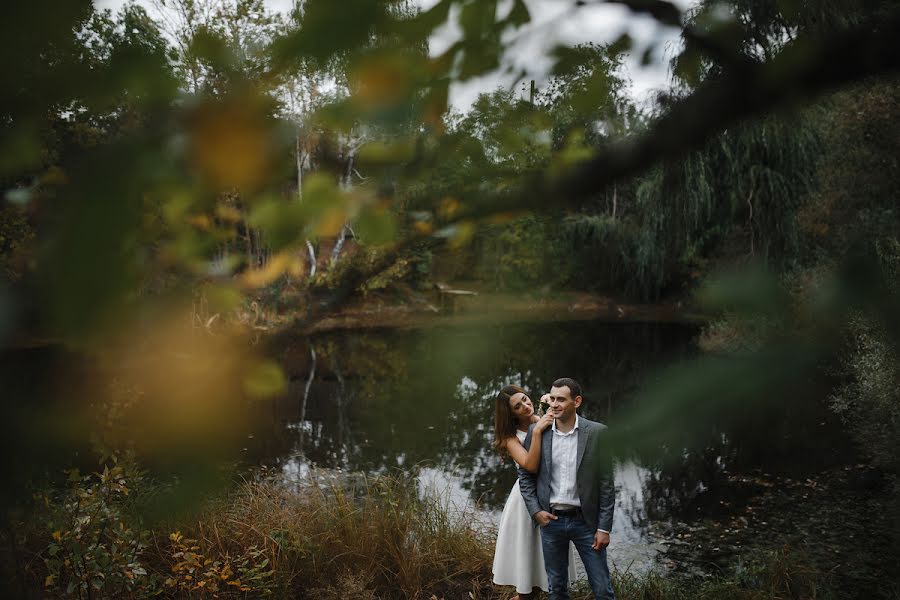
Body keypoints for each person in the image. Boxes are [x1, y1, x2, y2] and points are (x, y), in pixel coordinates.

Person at [518, 378, 616, 600]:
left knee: (602, 589)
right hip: (551, 521)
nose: (554, 404)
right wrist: (535, 511)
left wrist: (604, 528)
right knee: (558, 589)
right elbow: (525, 474)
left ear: (577, 401)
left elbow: (606, 484)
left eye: (561, 399)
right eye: (552, 398)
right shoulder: (538, 431)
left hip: (586, 523)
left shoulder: (597, 434)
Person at [492, 384, 576, 599]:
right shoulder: (511, 438)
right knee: (528, 550)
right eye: (518, 406)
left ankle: (539, 592)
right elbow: (530, 465)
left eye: (525, 399)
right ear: (511, 414)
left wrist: (554, 404)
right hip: (525, 501)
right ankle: (524, 595)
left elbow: (575, 432)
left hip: (552, 494)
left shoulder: (544, 418)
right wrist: (537, 431)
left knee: (547, 552)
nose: (526, 406)